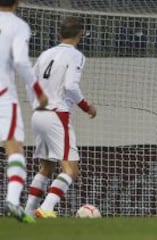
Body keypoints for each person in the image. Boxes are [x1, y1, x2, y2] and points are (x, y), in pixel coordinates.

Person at [24, 17, 96, 218]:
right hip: (57, 115)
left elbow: (31, 83)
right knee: (71, 169)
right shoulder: (76, 56)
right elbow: (71, 86)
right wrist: (86, 106)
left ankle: (28, 211)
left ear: (59, 34)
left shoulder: (46, 54)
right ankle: (46, 209)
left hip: (38, 114)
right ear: (81, 34)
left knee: (46, 166)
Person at [0, 0, 48, 223]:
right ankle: (12, 200)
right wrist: (38, 91)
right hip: (3, 96)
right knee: (14, 146)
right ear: (17, 2)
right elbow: (20, 61)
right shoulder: (17, 26)